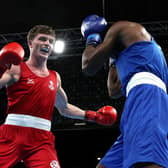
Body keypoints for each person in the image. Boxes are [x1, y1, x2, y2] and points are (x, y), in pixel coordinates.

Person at [0, 25, 117, 168]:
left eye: (50, 41)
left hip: (41, 140)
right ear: (30, 43)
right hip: (12, 133)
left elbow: (64, 108)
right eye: (42, 39)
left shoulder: (55, 77)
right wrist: (1, 67)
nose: (47, 44)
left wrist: (93, 116)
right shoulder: (17, 68)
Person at [81, 14, 168, 168]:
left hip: (147, 97)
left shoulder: (122, 27)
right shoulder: (131, 52)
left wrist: (91, 39)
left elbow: (88, 66)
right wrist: (114, 60)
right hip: (137, 100)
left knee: (147, 162)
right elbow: (113, 90)